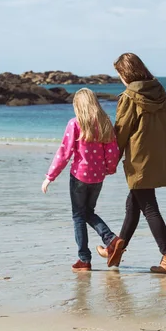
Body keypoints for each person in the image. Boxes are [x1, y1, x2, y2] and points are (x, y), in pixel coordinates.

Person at [96, 53, 166, 275]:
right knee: (133, 204)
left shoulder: (129, 97)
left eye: (120, 75)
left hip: (139, 159)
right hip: (159, 156)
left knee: (149, 207)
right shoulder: (162, 93)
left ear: (127, 73)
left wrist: (110, 160)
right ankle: (115, 249)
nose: (120, 80)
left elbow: (121, 132)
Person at [42, 88, 122, 272]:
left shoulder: (75, 124)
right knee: (88, 212)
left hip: (79, 176)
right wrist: (110, 169)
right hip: (97, 177)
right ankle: (110, 239)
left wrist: (49, 177)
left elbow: (64, 153)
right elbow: (112, 150)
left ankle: (85, 259)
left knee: (79, 216)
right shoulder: (105, 123)